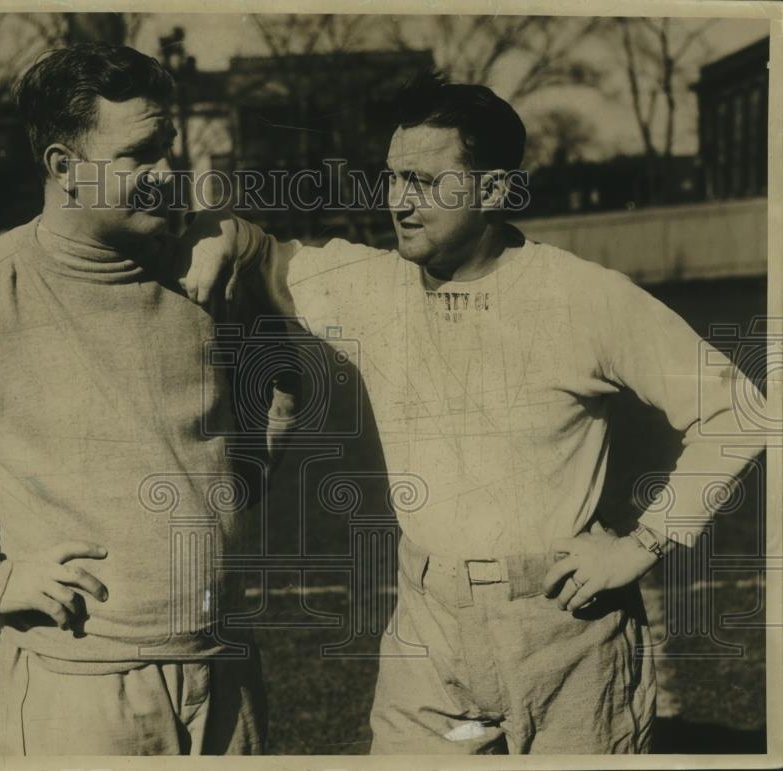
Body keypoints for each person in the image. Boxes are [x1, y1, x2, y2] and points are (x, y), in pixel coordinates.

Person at [181, 71, 766, 754]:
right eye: (393, 178)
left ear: (493, 190)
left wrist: (643, 544)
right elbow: (269, 257)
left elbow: (739, 412)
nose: (398, 201)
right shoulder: (370, 287)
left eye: (425, 182)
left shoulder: (584, 297)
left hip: (564, 631)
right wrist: (225, 236)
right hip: (426, 636)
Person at [0, 43, 286, 756]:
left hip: (227, 670)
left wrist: (242, 478)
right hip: (81, 689)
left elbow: (286, 370)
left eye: (169, 148)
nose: (168, 173)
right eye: (139, 155)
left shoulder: (203, 270)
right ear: (64, 167)